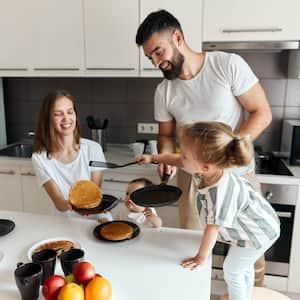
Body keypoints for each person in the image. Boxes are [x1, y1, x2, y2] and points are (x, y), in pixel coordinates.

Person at [136, 9, 272, 286]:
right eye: (150, 57)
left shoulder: (227, 65)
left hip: (238, 176)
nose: (156, 62)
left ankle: (255, 292)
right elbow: (166, 135)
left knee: (250, 246)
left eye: (158, 52)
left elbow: (262, 112)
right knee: (192, 245)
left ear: (177, 37)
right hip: (193, 178)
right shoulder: (164, 91)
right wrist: (165, 157)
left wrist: (225, 154)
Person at [137, 121, 280, 300]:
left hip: (258, 233)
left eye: (186, 156)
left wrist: (200, 258)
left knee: (233, 270)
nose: (182, 158)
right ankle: (245, 295)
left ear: (205, 166)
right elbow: (178, 160)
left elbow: (212, 229)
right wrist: (153, 158)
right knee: (243, 268)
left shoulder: (219, 193)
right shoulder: (209, 170)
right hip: (259, 226)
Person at [32, 90, 105, 217]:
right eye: (58, 114)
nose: (66, 118)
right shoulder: (39, 158)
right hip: (63, 222)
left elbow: (94, 194)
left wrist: (86, 208)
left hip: (94, 219)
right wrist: (71, 206)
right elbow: (58, 202)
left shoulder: (93, 149)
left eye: (70, 112)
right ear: (47, 118)